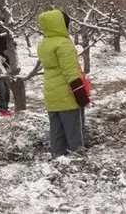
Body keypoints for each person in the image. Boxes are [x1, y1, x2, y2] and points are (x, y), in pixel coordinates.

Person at [37, 9, 90, 158]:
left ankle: (57, 158)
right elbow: (71, 72)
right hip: (67, 95)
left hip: (51, 94)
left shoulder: (43, 44)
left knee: (56, 130)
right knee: (74, 131)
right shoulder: (63, 44)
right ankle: (78, 160)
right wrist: (81, 95)